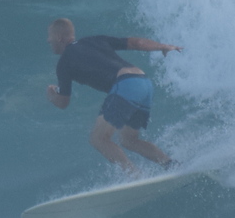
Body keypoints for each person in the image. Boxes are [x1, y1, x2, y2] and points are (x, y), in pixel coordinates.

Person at [45, 17, 182, 177]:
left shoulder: (64, 62)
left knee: (98, 139)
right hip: (144, 83)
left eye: (50, 37)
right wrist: (161, 46)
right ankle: (171, 165)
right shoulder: (94, 40)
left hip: (126, 85)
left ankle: (135, 177)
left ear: (59, 38)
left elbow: (63, 102)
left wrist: (51, 96)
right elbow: (135, 43)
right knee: (129, 140)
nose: (48, 40)